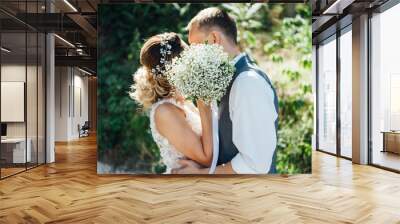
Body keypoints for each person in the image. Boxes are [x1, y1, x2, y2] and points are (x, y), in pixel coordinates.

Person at [172, 7, 279, 174]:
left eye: (195, 46)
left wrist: (201, 174)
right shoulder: (224, 80)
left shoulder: (247, 83)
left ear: (214, 38)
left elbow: (255, 165)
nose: (192, 55)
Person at [130, 33, 213, 174]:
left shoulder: (181, 99)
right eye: (188, 60)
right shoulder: (165, 112)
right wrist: (204, 102)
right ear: (174, 69)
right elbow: (206, 158)